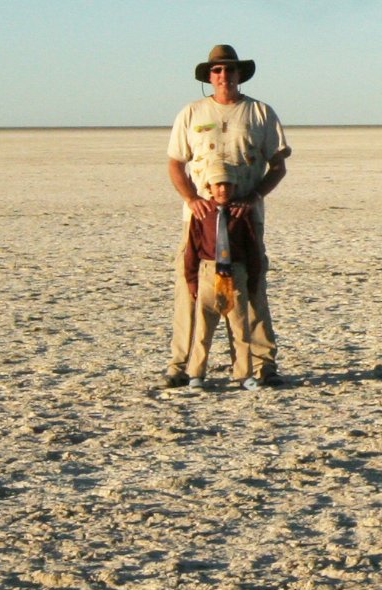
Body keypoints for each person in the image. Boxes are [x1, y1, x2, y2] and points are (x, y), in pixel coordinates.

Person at [163, 44, 290, 390]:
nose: (224, 77)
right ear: (209, 76)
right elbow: (175, 163)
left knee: (251, 289)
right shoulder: (191, 113)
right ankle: (181, 366)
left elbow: (278, 165)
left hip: (244, 219)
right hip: (200, 221)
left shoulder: (260, 113)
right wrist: (191, 198)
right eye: (217, 71)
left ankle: (262, 366)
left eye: (230, 70)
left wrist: (255, 196)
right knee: (191, 291)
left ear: (239, 74)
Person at [179, 156, 263, 388]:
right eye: (218, 184)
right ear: (209, 187)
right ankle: (196, 373)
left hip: (235, 274)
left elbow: (252, 248)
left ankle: (244, 374)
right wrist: (192, 281)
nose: (223, 189)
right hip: (208, 272)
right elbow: (192, 249)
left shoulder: (242, 214)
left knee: (240, 329)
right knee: (203, 329)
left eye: (227, 184)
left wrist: (253, 280)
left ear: (235, 187)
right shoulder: (202, 214)